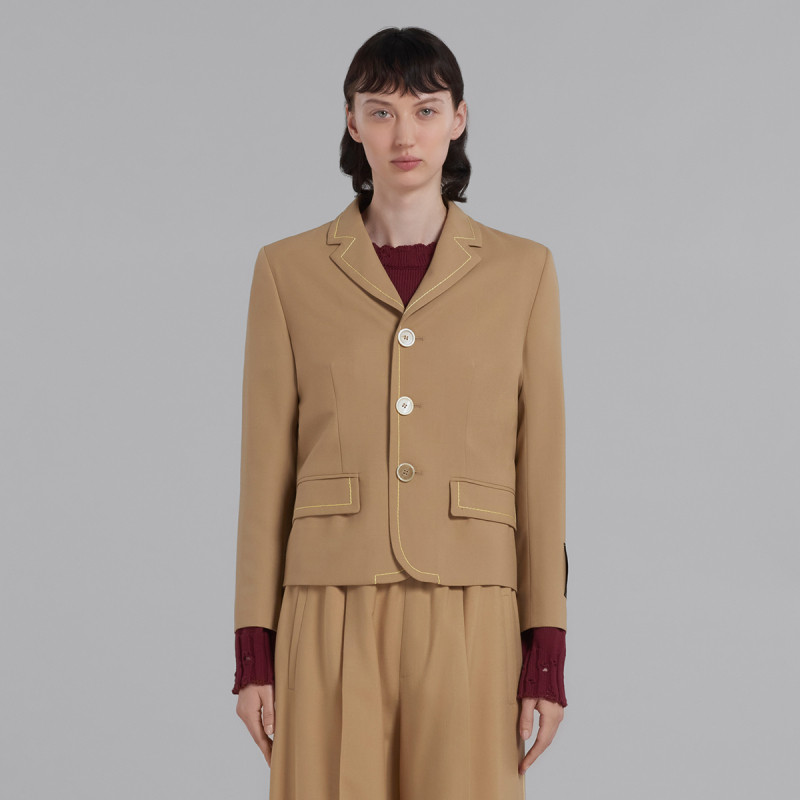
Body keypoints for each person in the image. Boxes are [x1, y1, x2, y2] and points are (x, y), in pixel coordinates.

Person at [232, 26, 568, 799]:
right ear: (352, 123)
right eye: (381, 111)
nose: (405, 134)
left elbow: (542, 468)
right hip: (328, 599)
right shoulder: (286, 271)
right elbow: (264, 470)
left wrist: (545, 649)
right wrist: (254, 648)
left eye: (425, 109)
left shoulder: (525, 271)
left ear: (458, 119)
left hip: (474, 603)